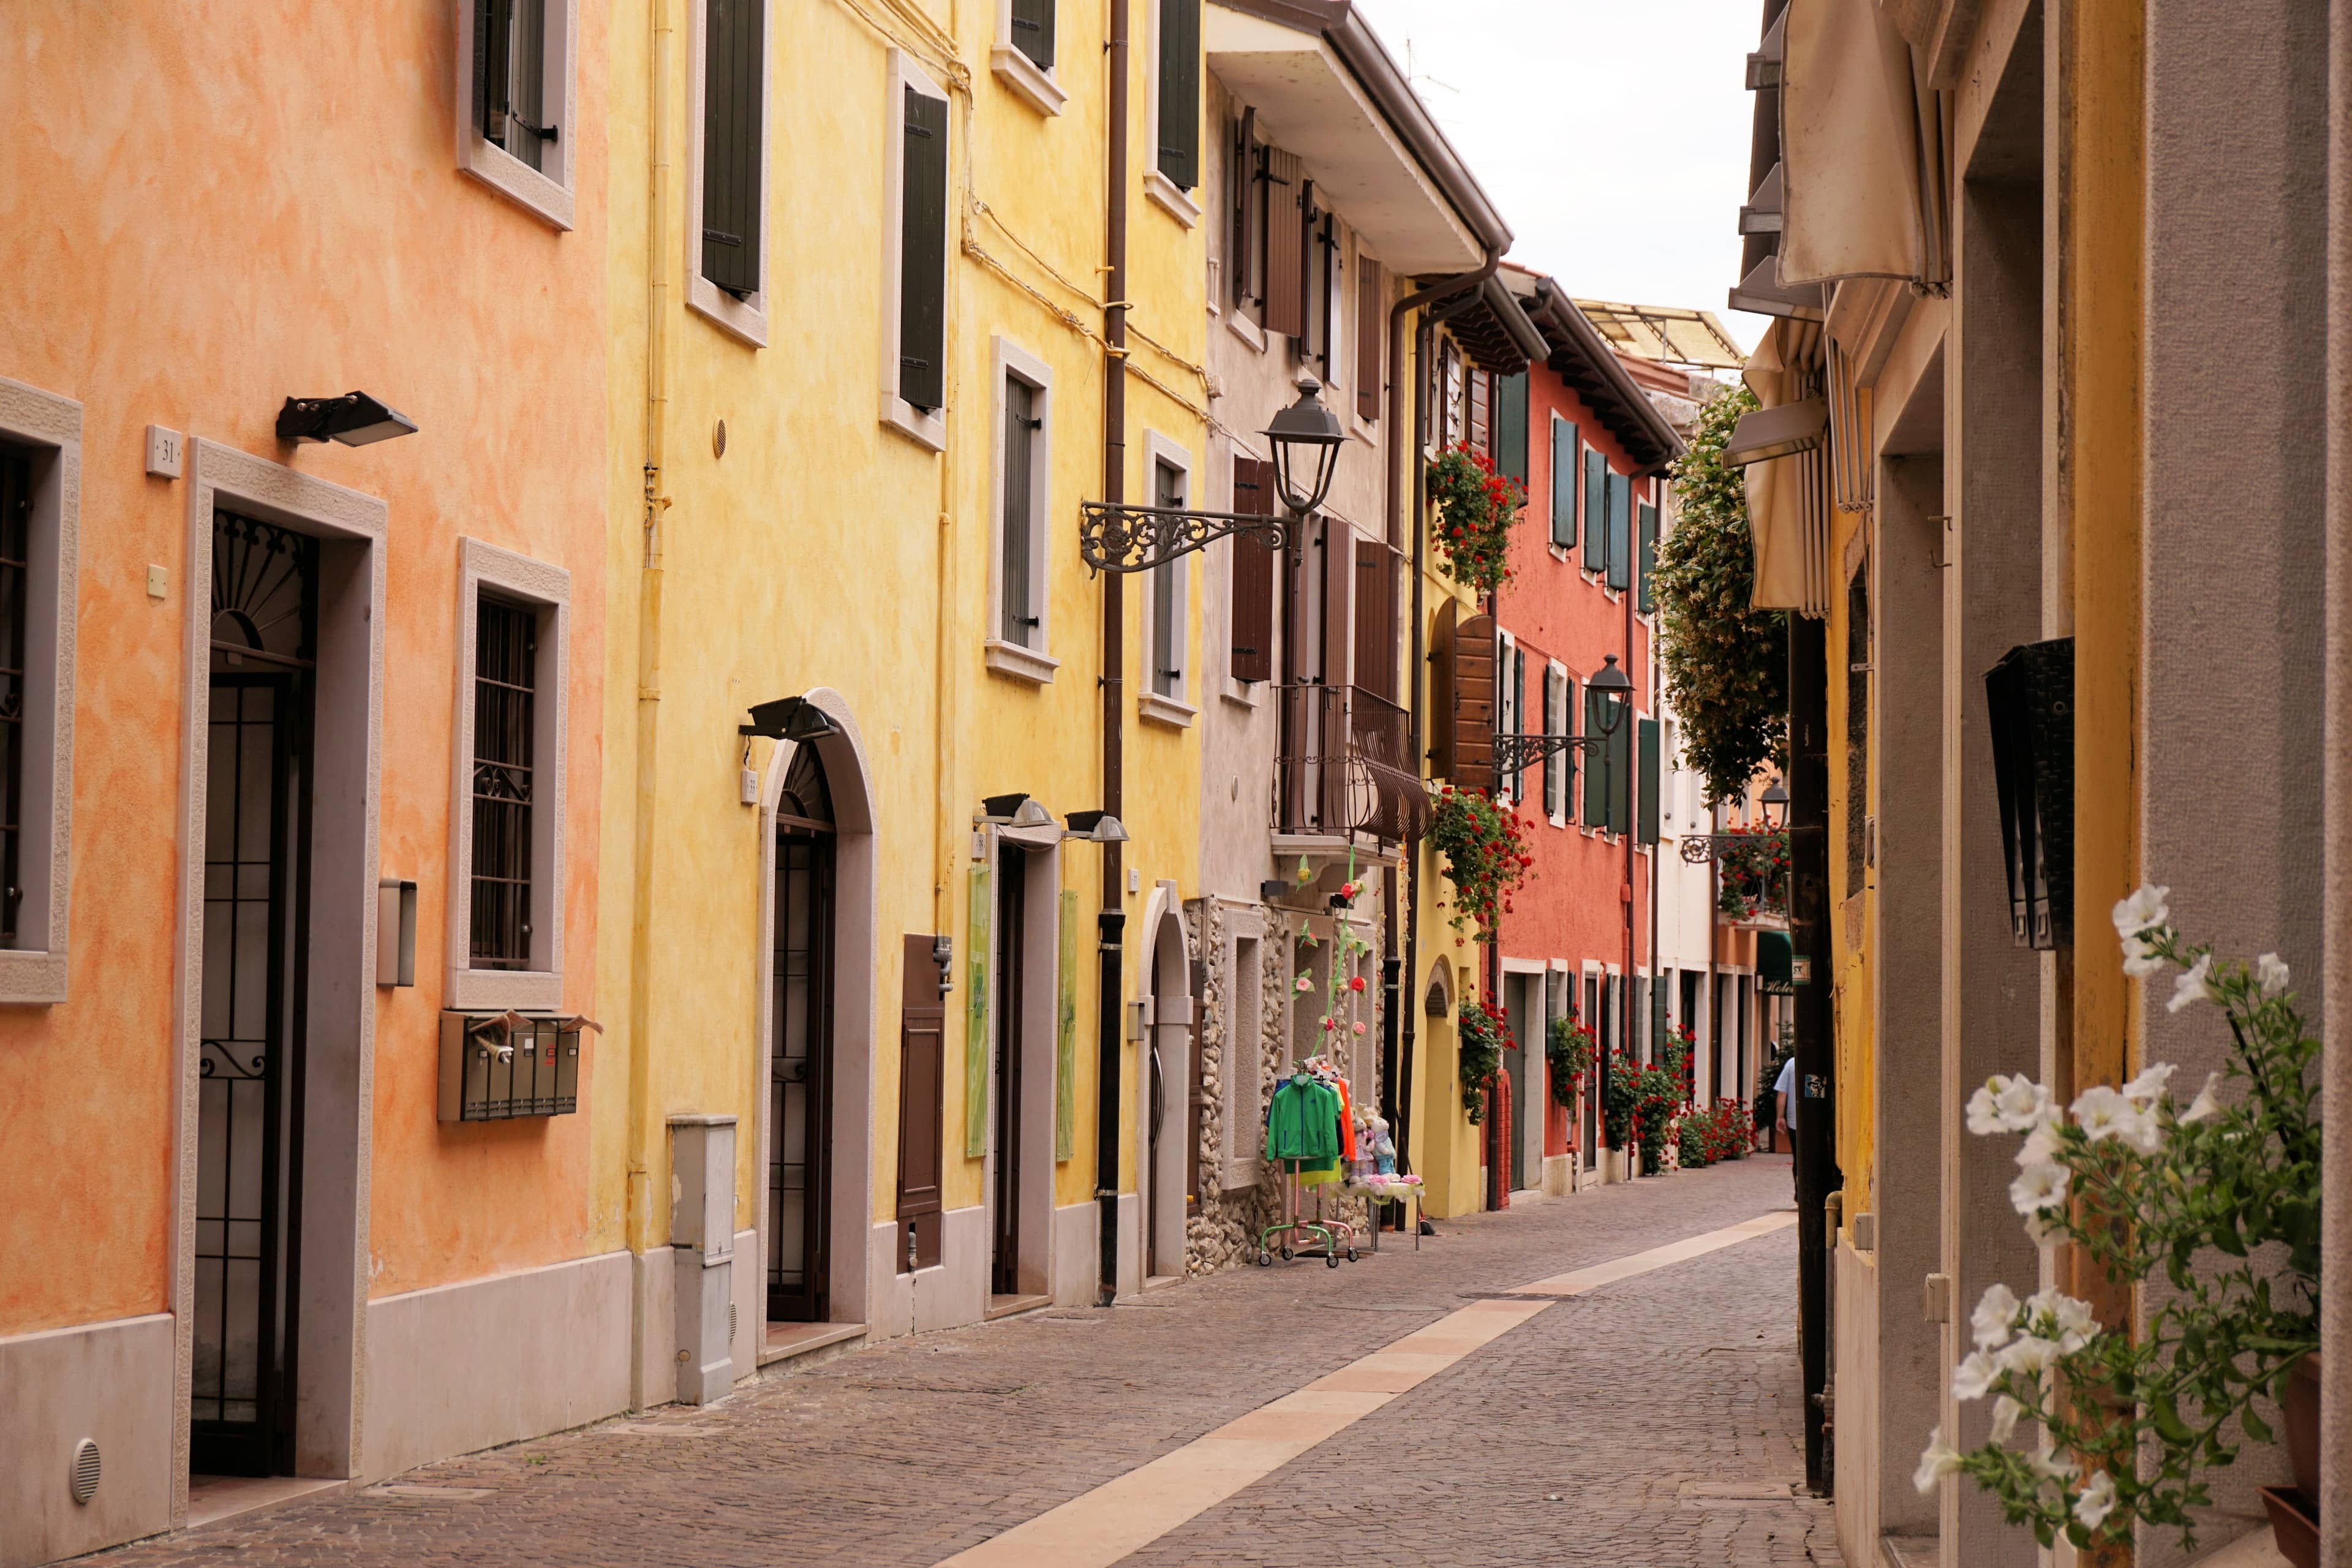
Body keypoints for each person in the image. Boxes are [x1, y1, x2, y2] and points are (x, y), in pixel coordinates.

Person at [1773, 1051, 1798, 1199]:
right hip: (1817, 1122)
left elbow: (1782, 1094)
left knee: (1798, 1157)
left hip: (1794, 1122)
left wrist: (1780, 1117)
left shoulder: (1791, 1063)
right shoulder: (1819, 1059)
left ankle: (1799, 1190)